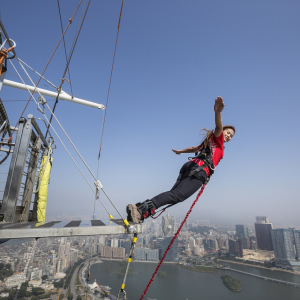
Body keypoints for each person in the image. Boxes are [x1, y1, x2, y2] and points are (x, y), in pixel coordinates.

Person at [126, 96, 235, 223]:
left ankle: (141, 212)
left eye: (231, 136)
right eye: (227, 132)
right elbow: (218, 127)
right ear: (223, 132)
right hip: (199, 171)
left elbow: (194, 148)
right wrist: (218, 112)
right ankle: (140, 209)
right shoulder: (219, 142)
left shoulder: (209, 142)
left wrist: (180, 151)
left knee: (173, 194)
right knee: (177, 195)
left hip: (190, 167)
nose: (228, 136)